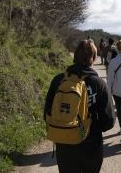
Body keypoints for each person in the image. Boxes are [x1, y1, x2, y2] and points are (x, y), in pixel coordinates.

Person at [44, 40, 116, 173]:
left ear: (75, 56)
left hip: (64, 144)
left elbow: (47, 113)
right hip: (91, 144)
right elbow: (109, 121)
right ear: (93, 58)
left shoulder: (58, 81)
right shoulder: (99, 84)